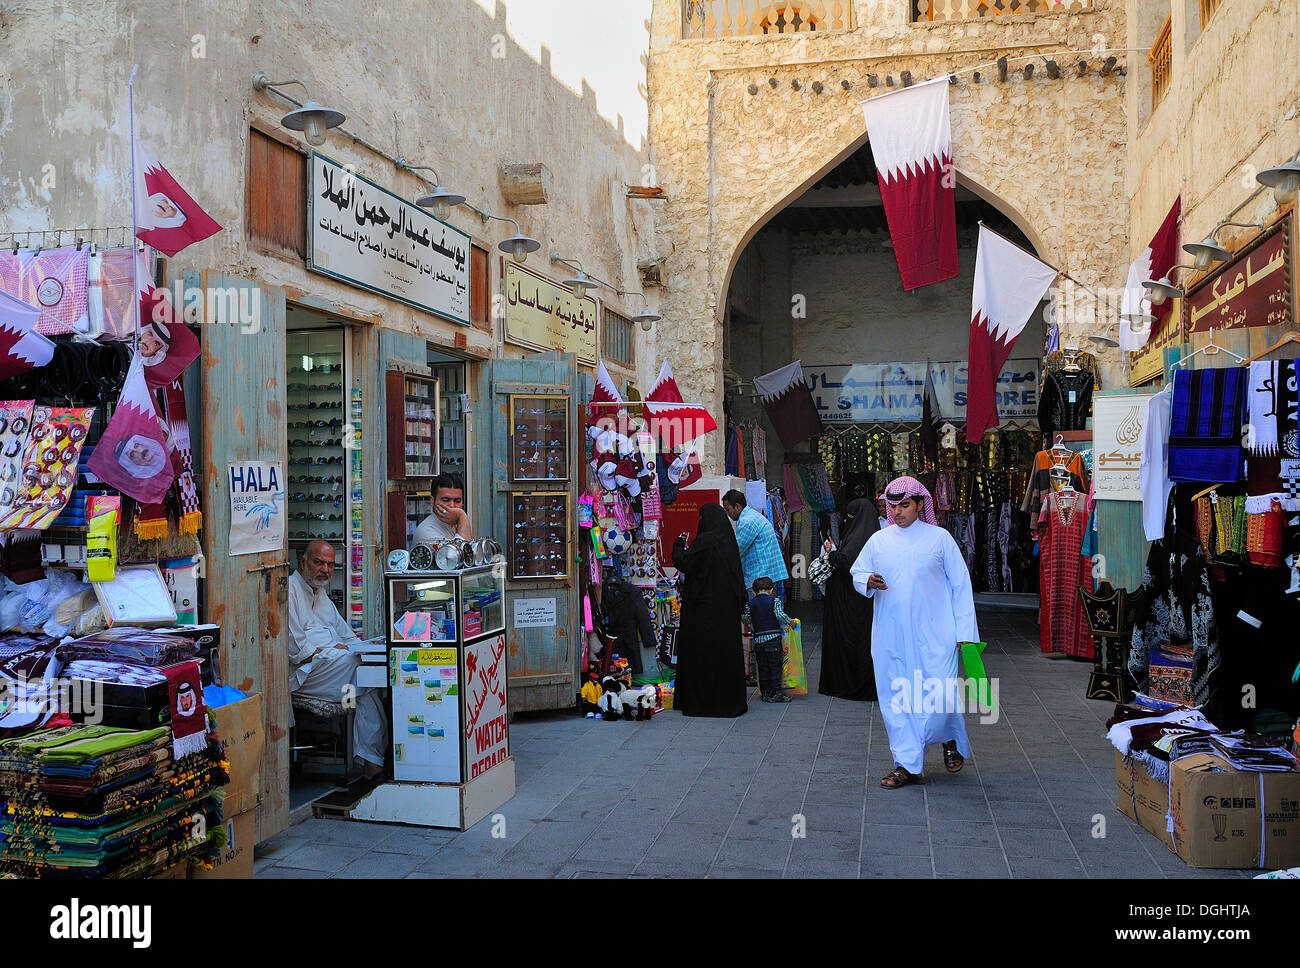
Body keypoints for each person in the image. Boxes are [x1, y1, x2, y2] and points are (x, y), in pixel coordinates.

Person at [851, 476, 979, 789]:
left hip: (938, 635)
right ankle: (907, 765)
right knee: (897, 699)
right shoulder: (879, 540)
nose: (897, 512)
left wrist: (966, 633)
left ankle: (949, 738)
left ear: (920, 504)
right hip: (891, 637)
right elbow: (858, 570)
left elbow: (961, 585)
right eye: (891, 506)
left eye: (904, 505)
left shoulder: (940, 539)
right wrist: (867, 580)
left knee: (940, 695)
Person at [288, 539, 388, 779]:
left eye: (330, 565)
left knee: (369, 681)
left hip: (332, 667)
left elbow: (346, 635)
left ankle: (372, 761)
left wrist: (365, 646)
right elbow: (296, 648)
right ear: (303, 562)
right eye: (318, 562)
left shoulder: (320, 594)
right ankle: (372, 760)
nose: (325, 569)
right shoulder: (291, 589)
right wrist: (335, 650)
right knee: (362, 667)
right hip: (306, 673)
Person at [671, 503, 748, 718]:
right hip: (727, 611)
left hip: (703, 611)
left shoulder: (705, 542)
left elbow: (684, 562)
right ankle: (728, 701)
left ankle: (703, 702)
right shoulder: (727, 541)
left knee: (704, 655)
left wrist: (678, 545)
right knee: (725, 656)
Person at [818, 497, 880, 701]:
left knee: (851, 640)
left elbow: (847, 561)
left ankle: (849, 683)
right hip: (863, 600)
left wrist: (831, 553)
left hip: (850, 599)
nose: (848, 521)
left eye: (851, 517)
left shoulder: (859, 538)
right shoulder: (874, 535)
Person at [722, 489, 789, 600]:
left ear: (737, 506)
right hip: (767, 575)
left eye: (728, 509)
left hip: (761, 579)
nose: (727, 514)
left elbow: (736, 550)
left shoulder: (747, 521)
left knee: (761, 614)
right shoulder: (751, 516)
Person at [743, 576, 794, 703]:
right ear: (771, 590)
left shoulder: (751, 603)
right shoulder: (774, 600)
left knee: (763, 668)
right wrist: (790, 622)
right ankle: (776, 692)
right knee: (775, 667)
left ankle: (765, 693)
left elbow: (746, 619)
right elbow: (779, 615)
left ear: (754, 592)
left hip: (758, 641)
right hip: (773, 640)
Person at [413, 472, 472, 544]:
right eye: (445, 500)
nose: (452, 506)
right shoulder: (426, 531)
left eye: (457, 501)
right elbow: (460, 553)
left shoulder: (456, 523)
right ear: (432, 501)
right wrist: (462, 516)